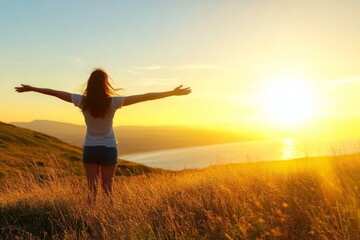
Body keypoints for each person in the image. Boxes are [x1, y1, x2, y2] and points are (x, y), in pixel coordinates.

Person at [15, 68, 191, 204]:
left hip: (90, 149)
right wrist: (171, 93)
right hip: (108, 149)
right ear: (106, 84)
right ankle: (108, 221)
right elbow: (144, 97)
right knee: (108, 188)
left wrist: (32, 89)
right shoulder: (113, 102)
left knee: (91, 189)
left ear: (90, 84)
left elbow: (54, 92)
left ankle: (90, 221)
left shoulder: (82, 101)